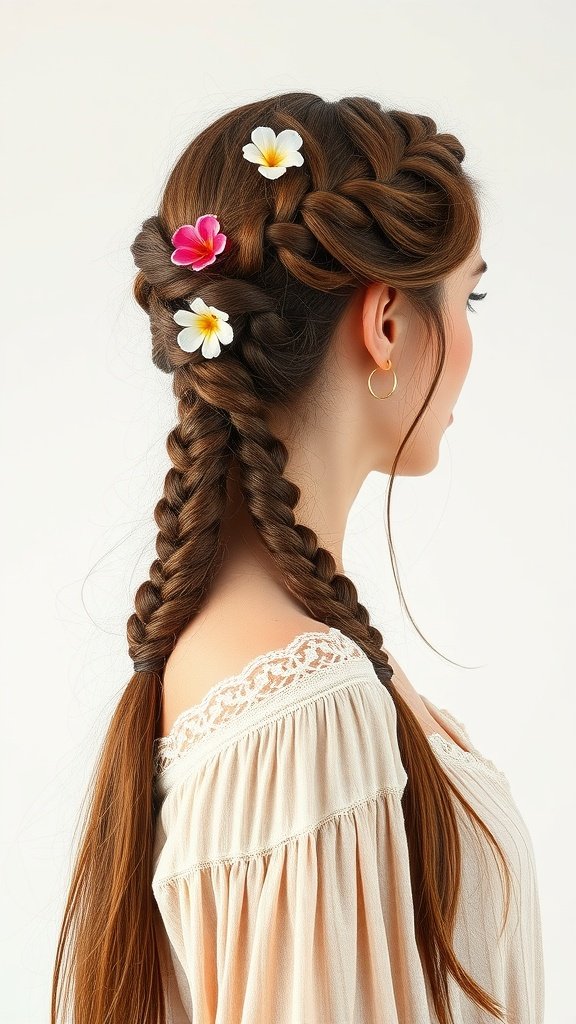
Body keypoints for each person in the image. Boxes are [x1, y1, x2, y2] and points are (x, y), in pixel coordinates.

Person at [51, 92, 544, 1024]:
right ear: (387, 323)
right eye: (467, 297)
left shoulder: (269, 671)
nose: (472, 341)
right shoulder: (306, 709)